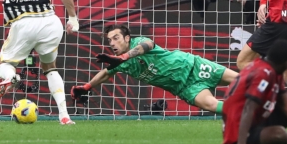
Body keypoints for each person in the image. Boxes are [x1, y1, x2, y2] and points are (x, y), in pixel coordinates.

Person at [71, 24, 239, 113]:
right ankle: (252, 114)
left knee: (243, 80)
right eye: (109, 40)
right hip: (185, 88)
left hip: (192, 66)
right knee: (212, 105)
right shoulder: (119, 63)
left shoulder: (137, 43)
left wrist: (124, 57)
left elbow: (149, 44)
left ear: (127, 38)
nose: (112, 43)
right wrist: (86, 87)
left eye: (116, 38)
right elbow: (105, 74)